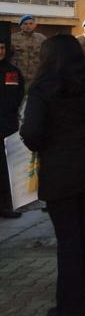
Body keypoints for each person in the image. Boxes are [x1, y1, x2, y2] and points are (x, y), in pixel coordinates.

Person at [20, 35, 85, 316]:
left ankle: (72, 305)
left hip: (60, 169)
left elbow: (32, 132)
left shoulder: (43, 88)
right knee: (81, 222)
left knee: (67, 235)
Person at [0, 35, 24, 218]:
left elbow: (19, 94)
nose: (0, 51)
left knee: (6, 168)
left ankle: (6, 205)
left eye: (2, 48)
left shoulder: (13, 71)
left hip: (7, 125)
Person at [11, 14, 46, 86]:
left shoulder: (41, 38)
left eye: (31, 23)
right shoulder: (13, 38)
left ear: (35, 25)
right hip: (17, 75)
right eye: (25, 24)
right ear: (21, 25)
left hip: (36, 76)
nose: (28, 26)